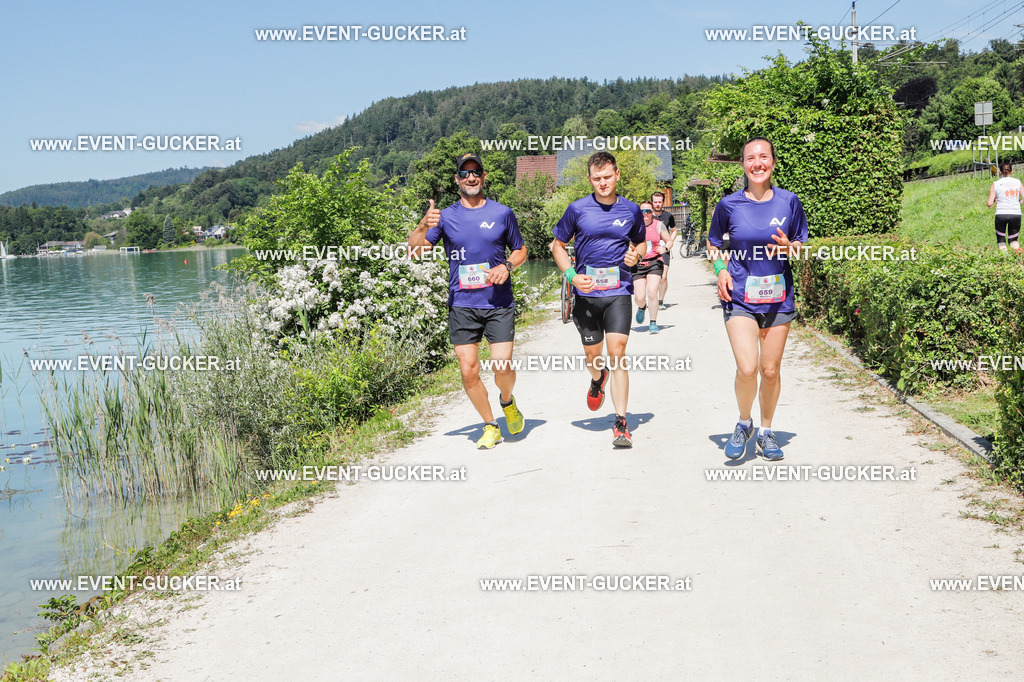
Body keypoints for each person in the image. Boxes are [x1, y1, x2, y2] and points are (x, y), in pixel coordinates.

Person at [408, 153, 528, 449]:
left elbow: (521, 250)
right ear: (457, 179)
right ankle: (490, 425)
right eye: (465, 173)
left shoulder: (503, 213)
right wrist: (423, 225)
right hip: (462, 304)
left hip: (498, 303)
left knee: (502, 367)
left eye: (476, 172)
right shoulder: (445, 216)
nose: (471, 178)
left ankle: (507, 401)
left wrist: (507, 266)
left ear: (484, 177)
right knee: (468, 370)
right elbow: (414, 251)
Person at [707, 137, 808, 461]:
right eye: (751, 158)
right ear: (743, 165)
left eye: (764, 156)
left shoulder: (789, 202)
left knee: (769, 370)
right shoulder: (728, 206)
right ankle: (744, 422)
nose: (758, 163)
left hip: (778, 298)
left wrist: (789, 248)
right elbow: (713, 244)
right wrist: (721, 268)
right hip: (740, 297)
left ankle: (765, 431)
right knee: (748, 368)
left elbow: (799, 246)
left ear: (773, 162)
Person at [551, 151, 646, 448]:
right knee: (594, 358)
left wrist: (637, 254)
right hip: (587, 295)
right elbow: (557, 245)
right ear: (589, 180)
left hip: (618, 292)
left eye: (607, 177)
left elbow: (641, 241)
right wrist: (571, 276)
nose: (603, 183)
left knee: (618, 353)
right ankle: (597, 378)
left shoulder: (631, 210)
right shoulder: (577, 210)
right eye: (597, 179)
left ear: (617, 175)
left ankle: (621, 422)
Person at [632, 201, 674, 334]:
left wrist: (665, 248)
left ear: (652, 213)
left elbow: (669, 240)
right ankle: (642, 307)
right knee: (639, 297)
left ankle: (653, 322)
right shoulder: (633, 225)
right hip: (638, 263)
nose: (645, 214)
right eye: (642, 211)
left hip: (654, 262)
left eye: (648, 211)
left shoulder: (658, 225)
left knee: (652, 291)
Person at [987, 162, 1022, 253]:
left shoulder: (996, 184)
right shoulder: (1017, 182)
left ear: (1000, 172)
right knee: (1013, 240)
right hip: (1015, 214)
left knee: (1001, 241)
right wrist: (1019, 202)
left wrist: (994, 200)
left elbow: (989, 203)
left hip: (1001, 214)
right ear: (1012, 171)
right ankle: (1017, 259)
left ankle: (1004, 259)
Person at [651, 191, 676, 308]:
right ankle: (652, 298)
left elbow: (674, 230)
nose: (657, 204)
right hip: (650, 249)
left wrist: (670, 242)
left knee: (664, 275)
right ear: (652, 203)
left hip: (664, 248)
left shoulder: (668, 216)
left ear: (663, 202)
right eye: (655, 202)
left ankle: (660, 300)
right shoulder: (647, 216)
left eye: (659, 202)